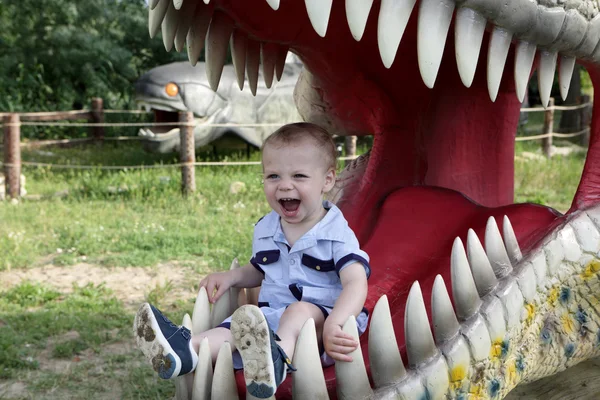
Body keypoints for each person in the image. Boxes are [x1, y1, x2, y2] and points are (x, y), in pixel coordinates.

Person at [133, 122, 370, 398]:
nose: (284, 185)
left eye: (299, 176)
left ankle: (277, 362)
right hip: (269, 321)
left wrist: (336, 323)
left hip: (321, 323)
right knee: (236, 325)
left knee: (298, 312)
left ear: (327, 181)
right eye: (273, 176)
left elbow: (355, 282)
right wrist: (231, 277)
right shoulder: (267, 228)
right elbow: (260, 270)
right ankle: (184, 352)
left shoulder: (336, 232)